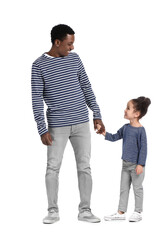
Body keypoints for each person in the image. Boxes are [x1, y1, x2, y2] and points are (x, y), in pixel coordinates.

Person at [31, 24, 105, 224]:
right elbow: (36, 98)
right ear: (57, 42)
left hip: (81, 121)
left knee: (85, 167)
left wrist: (96, 114)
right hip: (57, 125)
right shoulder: (38, 65)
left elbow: (86, 86)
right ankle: (53, 211)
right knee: (52, 168)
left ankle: (85, 211)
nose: (72, 48)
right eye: (69, 44)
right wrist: (42, 128)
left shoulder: (75, 59)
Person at [97, 97, 151, 222]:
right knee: (123, 188)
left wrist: (140, 164)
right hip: (125, 165)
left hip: (136, 166)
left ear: (136, 114)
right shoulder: (126, 128)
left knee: (137, 188)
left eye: (128, 108)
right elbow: (115, 136)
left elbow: (144, 149)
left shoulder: (141, 131)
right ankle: (121, 212)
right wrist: (103, 132)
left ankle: (138, 212)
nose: (125, 110)